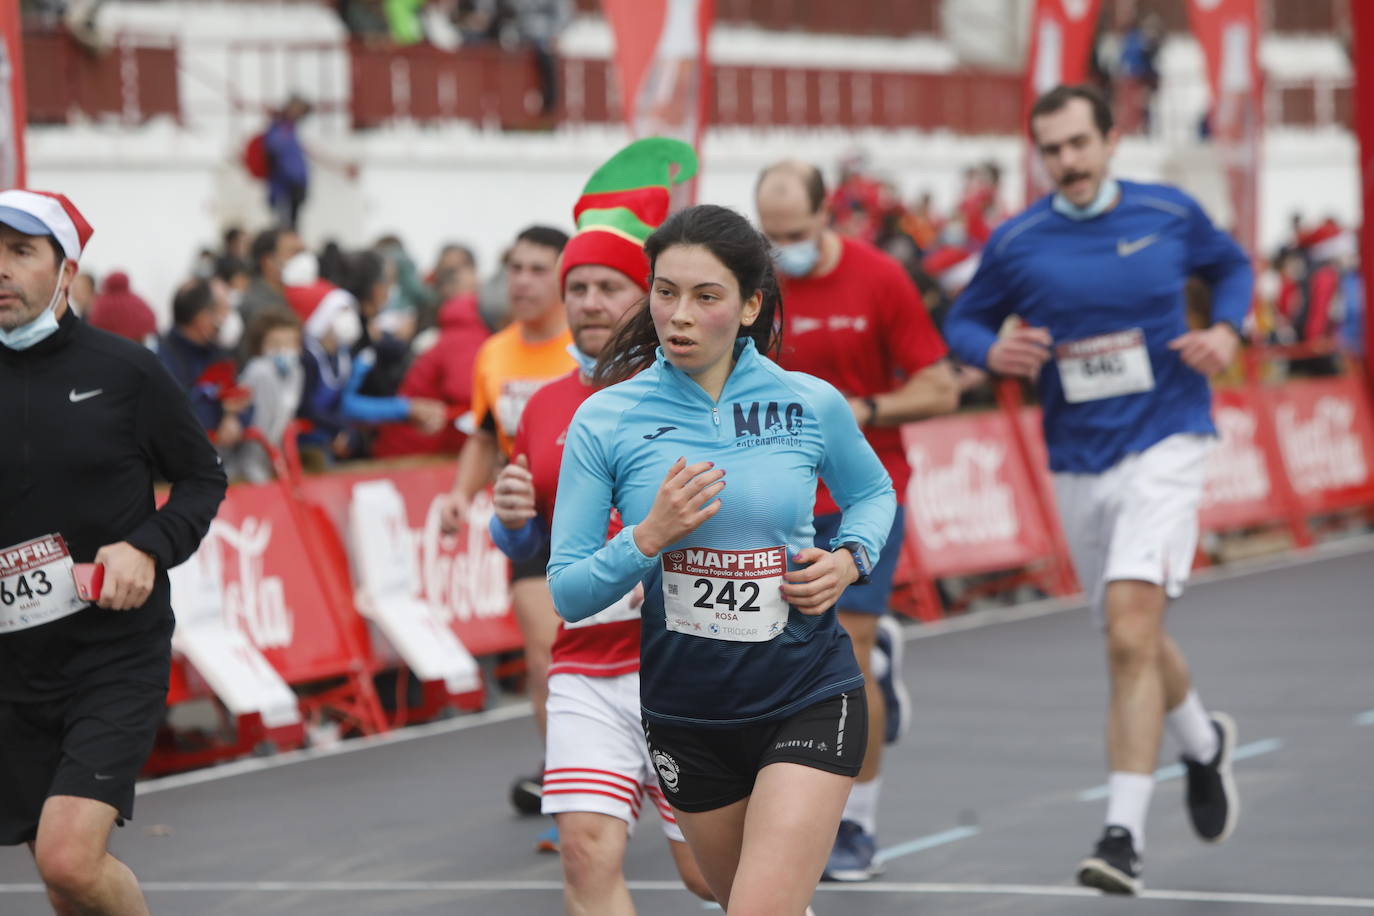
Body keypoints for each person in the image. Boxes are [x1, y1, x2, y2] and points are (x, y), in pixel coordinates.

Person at [943, 84, 1252, 895]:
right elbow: (964, 322)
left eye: (1080, 144)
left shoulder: (1168, 212)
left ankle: (1122, 836)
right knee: (1132, 633)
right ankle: (1202, 744)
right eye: (1052, 150)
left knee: (1126, 633)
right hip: (1078, 459)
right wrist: (992, 350)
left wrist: (1226, 329)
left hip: (1168, 439)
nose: (1068, 162)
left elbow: (1234, 269)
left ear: (1112, 141)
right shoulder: (1018, 241)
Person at [548, 203, 896, 915]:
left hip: (805, 690)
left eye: (706, 297)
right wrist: (646, 536)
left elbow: (873, 492)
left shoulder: (808, 402)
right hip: (688, 712)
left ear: (748, 307)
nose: (678, 315)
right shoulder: (606, 418)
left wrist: (849, 559)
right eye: (665, 291)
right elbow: (569, 591)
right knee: (734, 896)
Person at [488, 137, 714, 910]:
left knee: (712, 875)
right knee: (586, 855)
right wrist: (512, 525)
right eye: (576, 286)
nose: (587, 302)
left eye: (608, 286)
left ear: (649, 296)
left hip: (689, 662)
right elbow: (532, 541)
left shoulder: (698, 392)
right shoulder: (544, 404)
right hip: (585, 663)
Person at [0, 189, 227, 914]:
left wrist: (148, 546)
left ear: (67, 272)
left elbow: (201, 477)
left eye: (20, 251)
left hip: (111, 655)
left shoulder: (127, 373)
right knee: (68, 881)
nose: (0, 269)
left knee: (69, 860)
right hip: (12, 664)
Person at [755, 159, 959, 880]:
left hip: (863, 489)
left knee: (847, 646)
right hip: (772, 494)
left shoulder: (879, 279)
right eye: (770, 237)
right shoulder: (754, 286)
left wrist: (860, 411)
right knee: (769, 649)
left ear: (829, 215)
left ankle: (857, 823)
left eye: (796, 234)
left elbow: (940, 388)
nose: (784, 251)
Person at [438, 224, 575, 823]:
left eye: (537, 269)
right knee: (547, 654)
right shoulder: (494, 353)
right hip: (532, 523)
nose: (521, 281)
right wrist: (458, 495)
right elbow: (485, 434)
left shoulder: (592, 345)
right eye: (515, 267)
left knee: (635, 653)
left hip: (609, 520)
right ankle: (566, 779)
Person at [157, 278, 253, 453]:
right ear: (203, 318)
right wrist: (219, 410)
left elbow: (242, 399)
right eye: (224, 309)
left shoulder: (219, 353)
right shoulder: (162, 359)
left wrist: (233, 417)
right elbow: (178, 416)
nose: (229, 317)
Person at [264, 94, 312, 229]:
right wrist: (295, 180)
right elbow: (282, 157)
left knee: (292, 226)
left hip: (293, 189)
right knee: (284, 228)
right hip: (284, 190)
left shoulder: (290, 130)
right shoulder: (280, 130)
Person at [86, 271, 156, 345]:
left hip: (111, 349)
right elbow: (151, 321)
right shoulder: (138, 301)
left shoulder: (101, 304)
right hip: (138, 348)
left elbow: (94, 328)